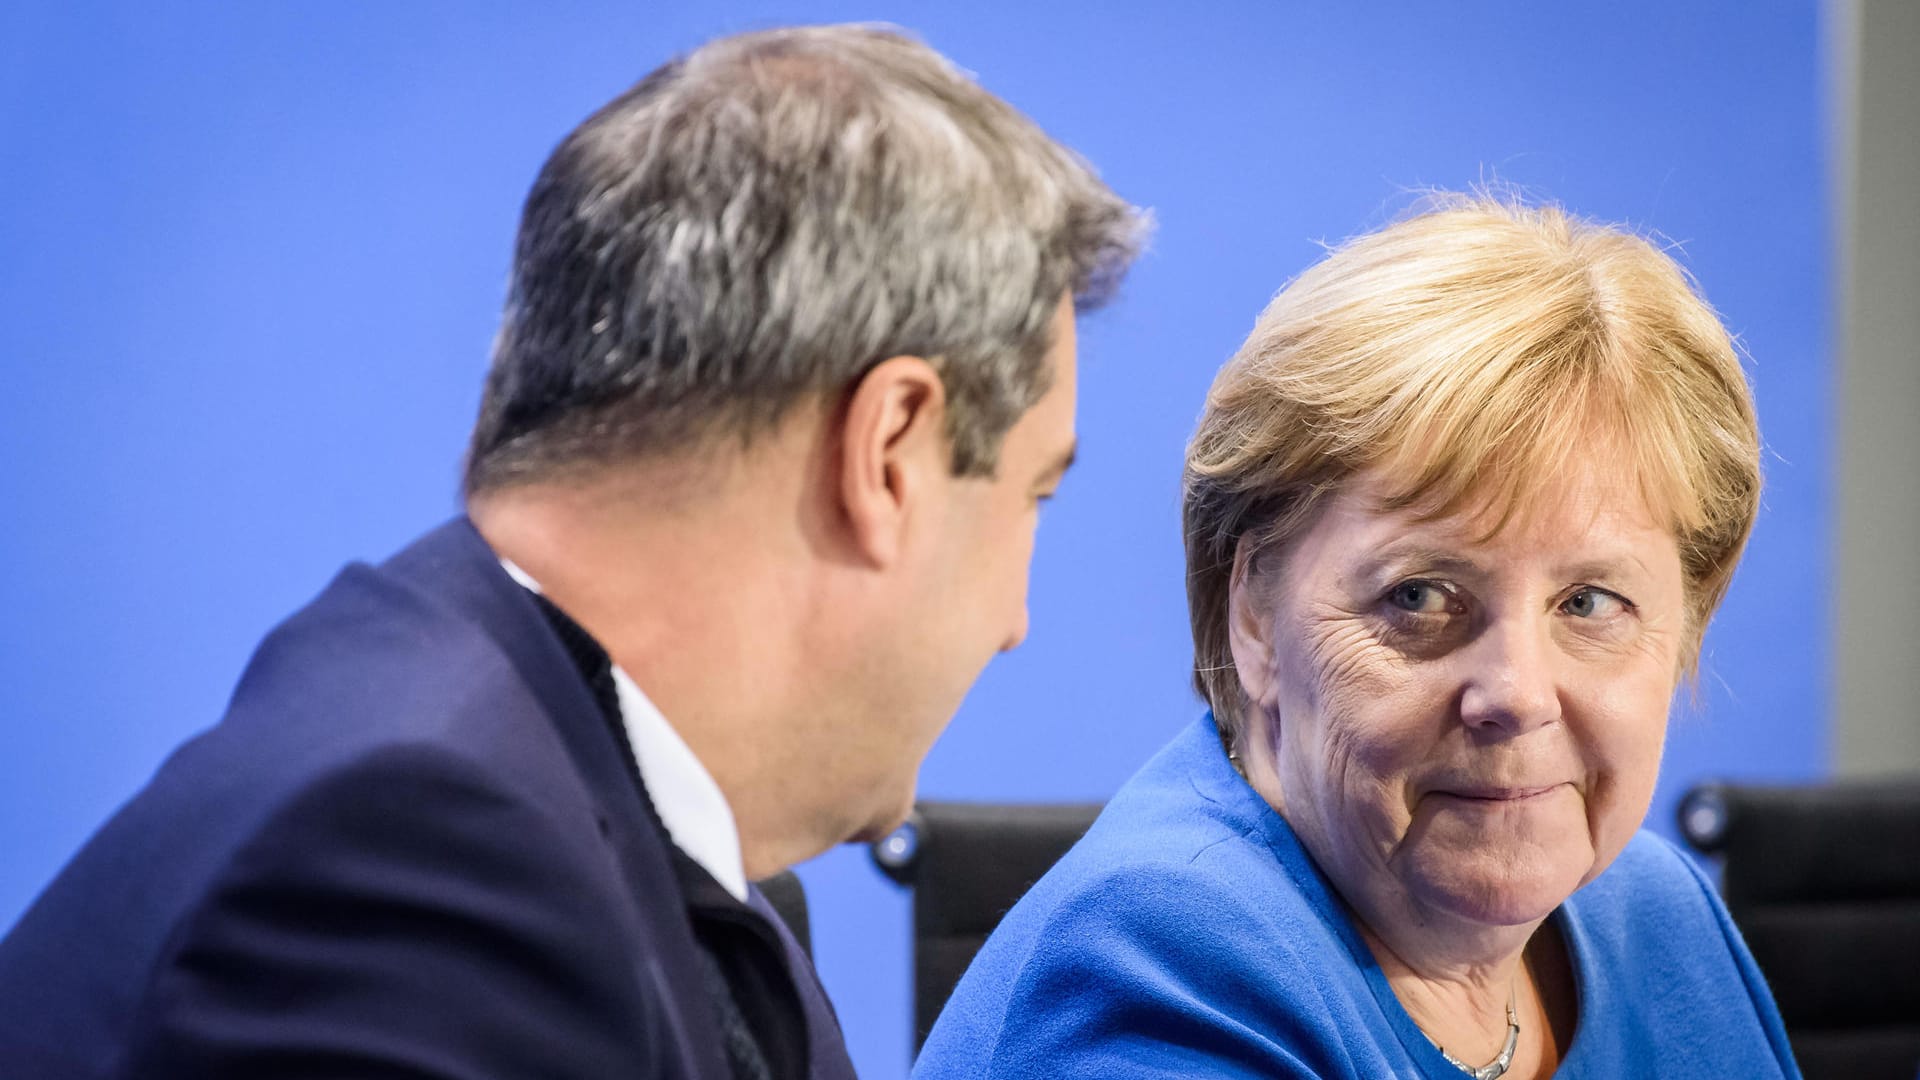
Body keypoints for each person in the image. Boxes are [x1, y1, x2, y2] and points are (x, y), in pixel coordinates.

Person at [0, 24, 1144, 1080]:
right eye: (1033, 493)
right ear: (887, 451)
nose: (1016, 619)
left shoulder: (552, 792)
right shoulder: (422, 865)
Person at [913, 197, 1801, 1079]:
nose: (1519, 695)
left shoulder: (1654, 916)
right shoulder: (1156, 978)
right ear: (1254, 616)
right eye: (1420, 596)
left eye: (1590, 603)